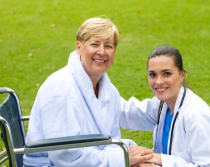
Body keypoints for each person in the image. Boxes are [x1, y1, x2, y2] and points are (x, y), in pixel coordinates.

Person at [23, 17, 154, 167]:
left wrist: (133, 157)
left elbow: (108, 142)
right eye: (94, 44)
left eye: (109, 46)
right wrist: (123, 158)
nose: (102, 52)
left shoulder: (106, 89)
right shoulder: (62, 89)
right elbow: (67, 155)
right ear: (79, 46)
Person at [120, 45, 210, 167]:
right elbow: (128, 113)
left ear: (182, 74)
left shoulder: (196, 115)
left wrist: (160, 159)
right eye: (152, 74)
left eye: (166, 73)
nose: (158, 81)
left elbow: (208, 166)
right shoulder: (162, 104)